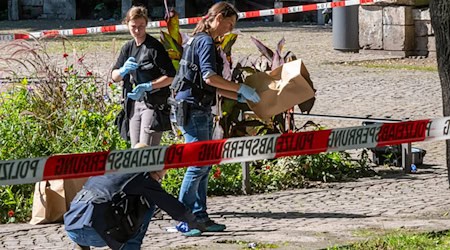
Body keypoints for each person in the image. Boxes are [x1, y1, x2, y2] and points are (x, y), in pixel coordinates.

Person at [172, 2, 261, 233]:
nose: (229, 30)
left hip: (195, 105)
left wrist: (238, 95)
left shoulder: (198, 39)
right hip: (193, 109)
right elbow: (210, 77)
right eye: (229, 24)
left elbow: (209, 84)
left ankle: (200, 216)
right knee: (198, 164)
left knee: (205, 164)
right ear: (219, 18)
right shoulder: (205, 42)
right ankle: (184, 218)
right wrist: (240, 87)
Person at [64, 144, 204, 250]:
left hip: (72, 226)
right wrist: (193, 221)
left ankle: (81, 247)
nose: (159, 180)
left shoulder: (108, 167)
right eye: (160, 176)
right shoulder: (142, 175)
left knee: (98, 206)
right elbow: (172, 206)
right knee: (147, 204)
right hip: (95, 233)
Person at [112, 6, 176, 148]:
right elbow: (114, 76)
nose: (137, 30)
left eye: (141, 26)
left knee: (146, 149)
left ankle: (152, 171)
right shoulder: (128, 47)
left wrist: (149, 85)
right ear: (127, 24)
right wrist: (122, 70)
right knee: (135, 149)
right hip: (134, 103)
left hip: (153, 103)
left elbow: (171, 76)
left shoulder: (154, 47)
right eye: (133, 26)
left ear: (146, 24)